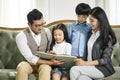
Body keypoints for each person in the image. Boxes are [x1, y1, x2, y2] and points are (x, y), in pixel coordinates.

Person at [15, 9, 64, 80]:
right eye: (37, 25)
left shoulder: (47, 32)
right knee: (21, 66)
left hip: (44, 64)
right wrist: (50, 62)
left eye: (42, 24)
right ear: (29, 24)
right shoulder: (21, 36)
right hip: (29, 64)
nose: (41, 27)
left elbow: (49, 49)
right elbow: (30, 58)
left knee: (46, 68)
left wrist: (50, 53)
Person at [70, 7, 117, 80]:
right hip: (90, 67)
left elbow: (105, 60)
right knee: (81, 78)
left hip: (103, 69)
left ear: (100, 21)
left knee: (74, 69)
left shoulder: (107, 37)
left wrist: (84, 64)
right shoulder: (90, 33)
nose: (90, 23)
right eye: (89, 20)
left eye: (92, 21)